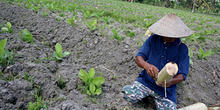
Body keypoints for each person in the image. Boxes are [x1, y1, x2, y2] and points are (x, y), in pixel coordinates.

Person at [122, 14, 193, 110]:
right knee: (127, 95)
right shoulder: (153, 39)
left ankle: (154, 100)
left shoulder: (182, 49)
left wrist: (171, 81)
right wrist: (147, 66)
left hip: (166, 91)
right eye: (166, 36)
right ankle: (146, 98)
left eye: (172, 37)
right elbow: (138, 58)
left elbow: (182, 75)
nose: (169, 39)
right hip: (145, 83)